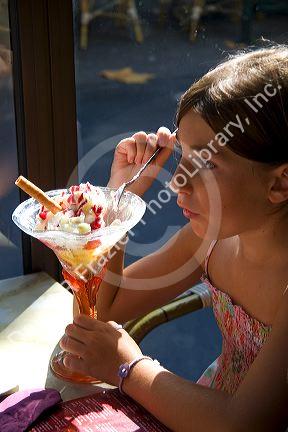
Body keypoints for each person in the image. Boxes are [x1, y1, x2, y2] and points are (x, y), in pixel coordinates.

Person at [60, 45, 288, 431]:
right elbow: (101, 309)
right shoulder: (208, 243)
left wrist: (128, 367)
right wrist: (120, 202)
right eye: (183, 154)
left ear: (280, 182)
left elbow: (242, 422)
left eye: (207, 163)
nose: (178, 180)